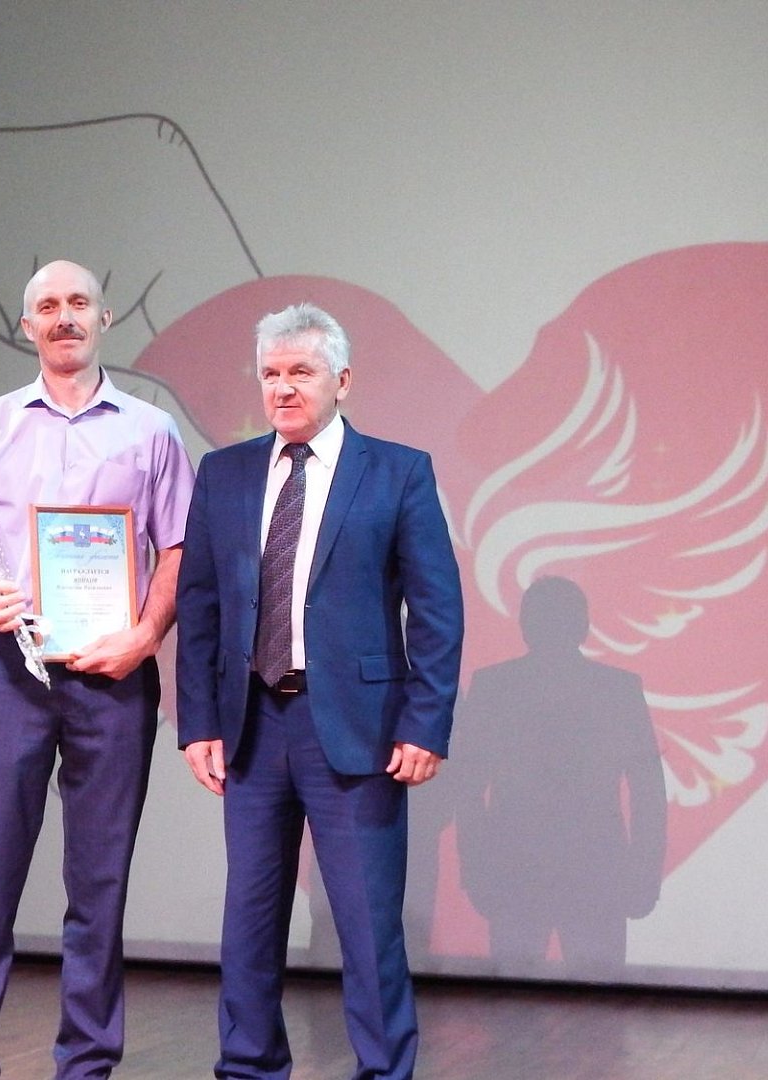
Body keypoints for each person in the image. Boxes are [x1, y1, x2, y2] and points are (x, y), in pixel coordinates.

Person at [176, 302, 464, 1080]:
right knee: (250, 920)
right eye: (270, 373)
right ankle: (248, 1066)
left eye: (300, 371)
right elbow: (200, 607)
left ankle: (384, 1070)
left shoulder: (398, 471)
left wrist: (425, 723)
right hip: (252, 726)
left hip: (358, 730)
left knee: (368, 925)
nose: (283, 388)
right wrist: (198, 721)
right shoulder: (226, 473)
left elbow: (437, 611)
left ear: (342, 380)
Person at [0, 259, 193, 1079]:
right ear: (27, 326)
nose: (64, 316)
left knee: (99, 886)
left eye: (79, 302)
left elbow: (179, 550)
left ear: (105, 318)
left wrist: (145, 636)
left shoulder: (152, 431)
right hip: (10, 673)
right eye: (48, 305)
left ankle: (87, 1065)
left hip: (113, 678)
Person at [454, 576, 666, 976]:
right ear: (584, 627)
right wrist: (645, 874)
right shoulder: (618, 689)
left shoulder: (493, 687)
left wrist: (476, 869)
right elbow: (648, 793)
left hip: (523, 871)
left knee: (517, 1002)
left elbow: (467, 791)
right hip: (589, 870)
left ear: (524, 626)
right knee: (592, 1002)